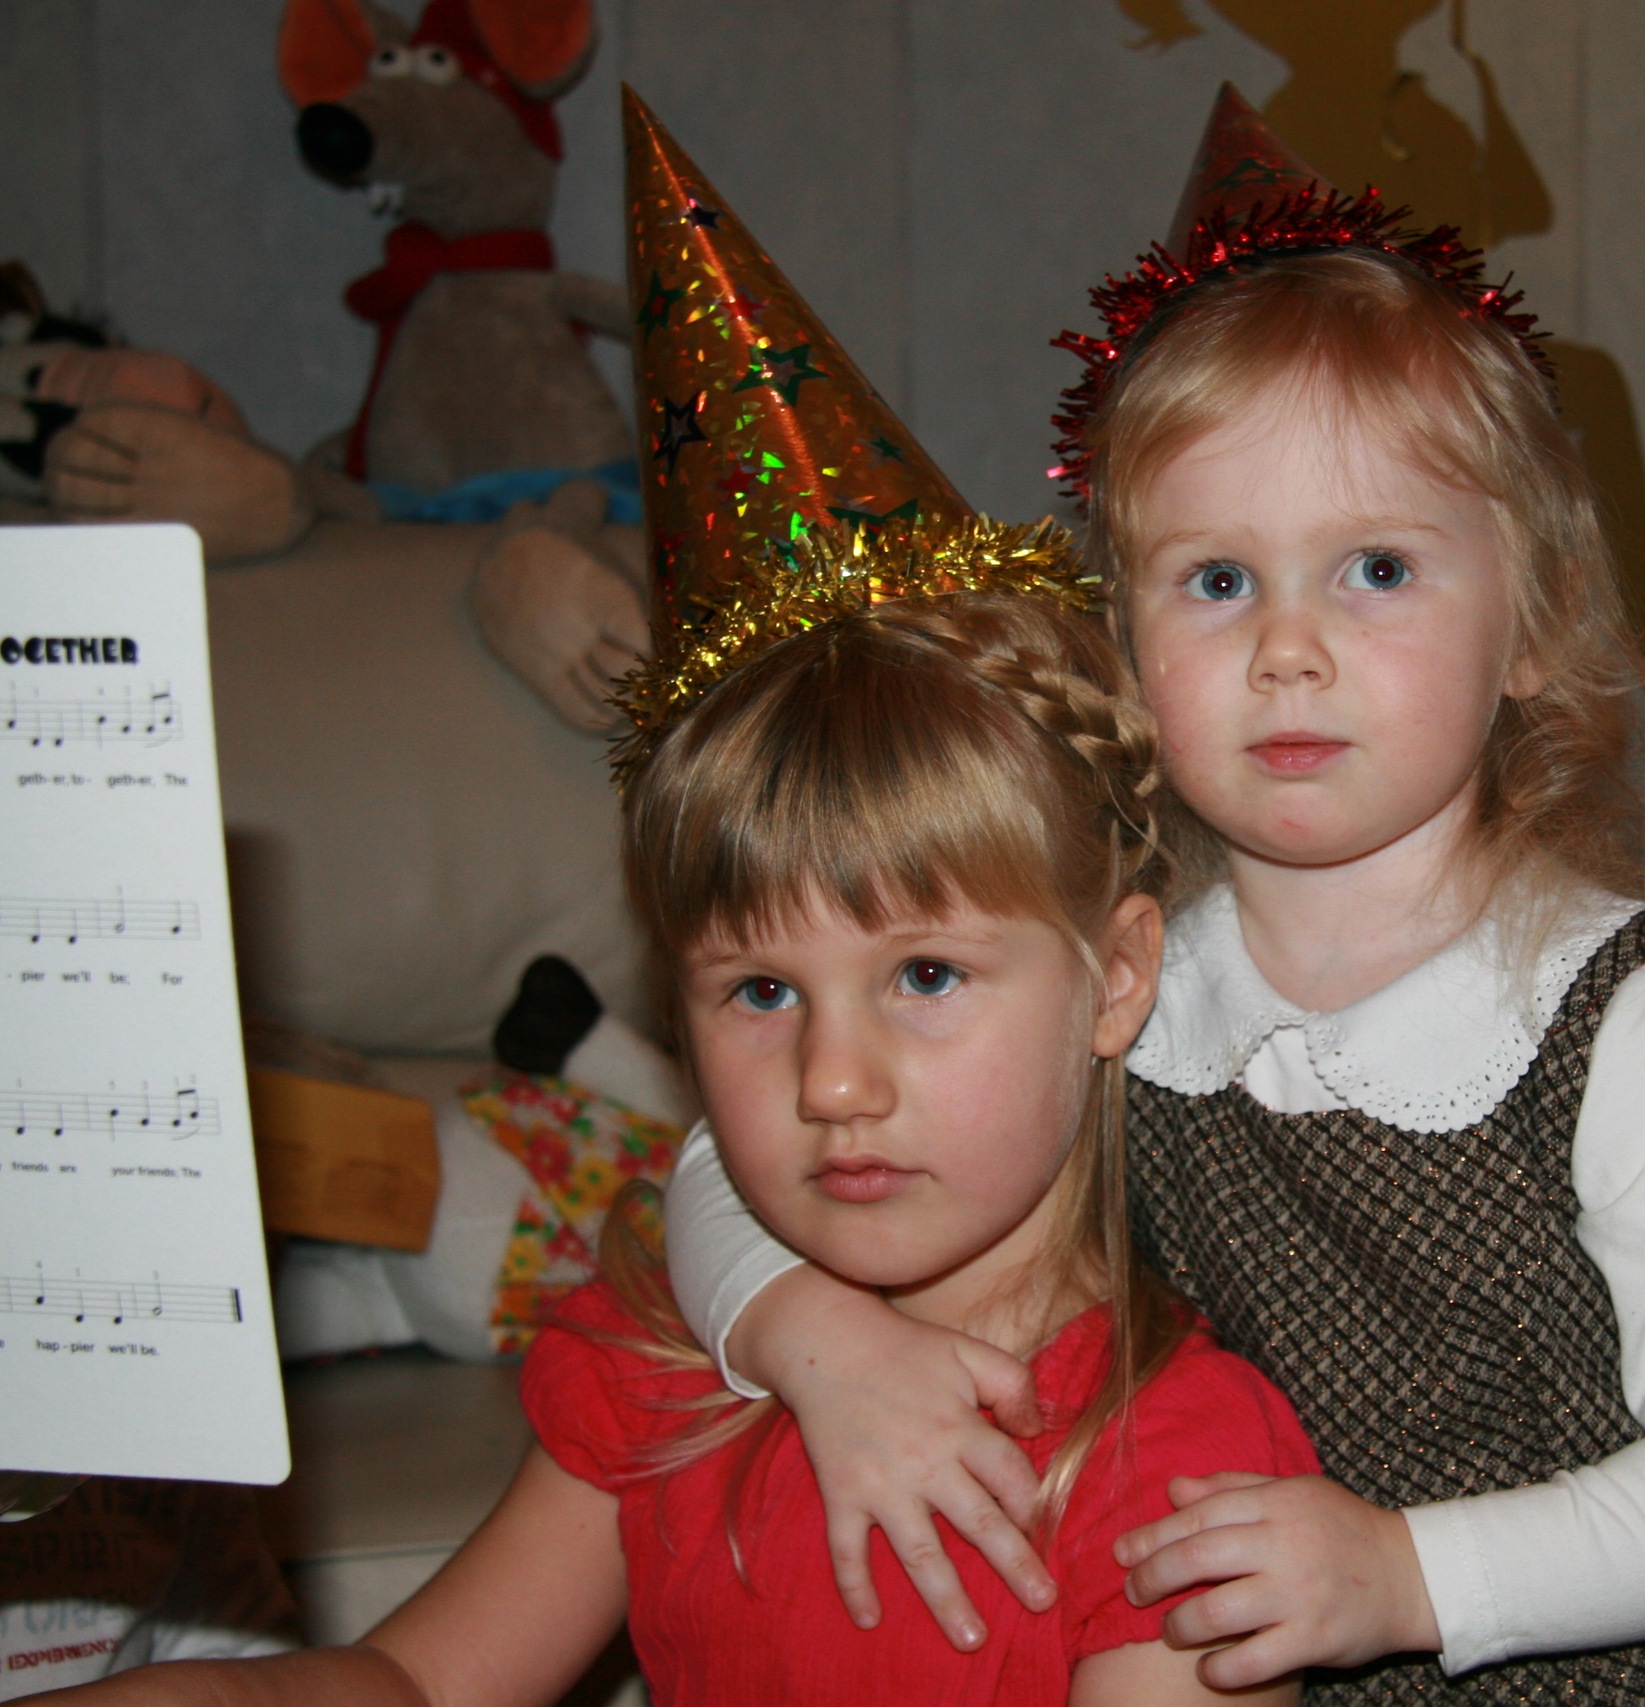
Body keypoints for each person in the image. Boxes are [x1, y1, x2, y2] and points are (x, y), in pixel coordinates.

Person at [32, 94, 1320, 1707]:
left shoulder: (1171, 1471)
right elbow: (414, 1685)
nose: (831, 1082)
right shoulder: (663, 1360)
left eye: (925, 974)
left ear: (1118, 975)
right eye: (759, 991)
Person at [662, 86, 1645, 1702]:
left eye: (1377, 569)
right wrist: (821, 1343)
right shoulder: (1133, 974)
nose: (1287, 649)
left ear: (1528, 625)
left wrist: (1409, 1575)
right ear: (1126, 637)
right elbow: (725, 1158)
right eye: (1217, 580)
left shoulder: (1615, 1024)